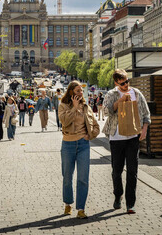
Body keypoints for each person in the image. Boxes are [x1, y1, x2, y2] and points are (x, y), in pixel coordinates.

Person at [102, 69, 151, 214]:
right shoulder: (112, 94)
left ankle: (131, 203)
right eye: (122, 83)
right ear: (116, 83)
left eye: (127, 81)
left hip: (132, 138)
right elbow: (106, 111)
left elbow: (146, 113)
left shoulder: (136, 93)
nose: (126, 85)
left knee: (132, 171)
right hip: (116, 138)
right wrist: (120, 101)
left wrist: (144, 129)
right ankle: (118, 195)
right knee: (116, 171)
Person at [58, 81, 99, 219]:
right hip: (68, 145)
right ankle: (68, 203)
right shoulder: (63, 106)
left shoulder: (86, 107)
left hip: (83, 145)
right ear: (71, 93)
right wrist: (74, 108)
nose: (81, 93)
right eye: (77, 91)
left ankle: (81, 209)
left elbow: (96, 126)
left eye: (81, 90)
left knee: (83, 178)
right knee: (67, 177)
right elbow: (64, 122)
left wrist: (90, 135)